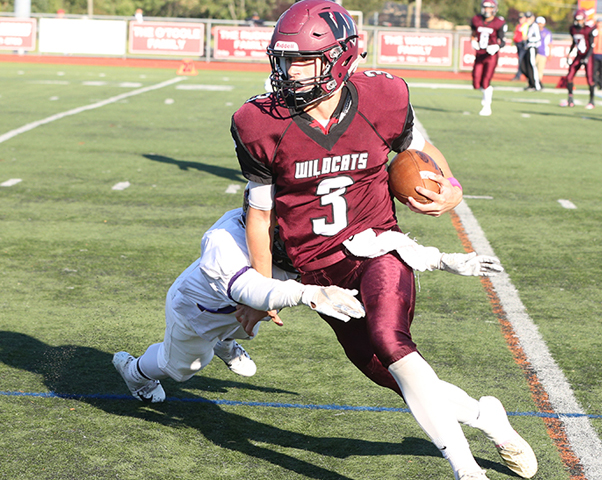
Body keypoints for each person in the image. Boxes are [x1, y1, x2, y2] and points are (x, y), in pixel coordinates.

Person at [231, 1, 538, 479]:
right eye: (284, 61)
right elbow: (260, 213)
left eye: (303, 61)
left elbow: (419, 149)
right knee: (391, 373)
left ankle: (466, 471)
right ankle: (486, 418)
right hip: (318, 268)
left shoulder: (383, 97)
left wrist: (452, 189)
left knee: (390, 340)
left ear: (341, 58)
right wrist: (262, 288)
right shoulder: (258, 123)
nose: (289, 74)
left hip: (379, 246)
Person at [113, 191, 366, 403]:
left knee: (255, 318)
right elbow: (254, 290)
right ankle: (135, 373)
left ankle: (224, 341)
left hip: (238, 307)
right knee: (182, 368)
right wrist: (308, 293)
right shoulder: (224, 244)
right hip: (198, 313)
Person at [470, 0, 507, 116]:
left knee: (486, 81)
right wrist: (472, 41)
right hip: (480, 53)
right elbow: (473, 34)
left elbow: (503, 41)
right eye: (485, 7)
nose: (487, 10)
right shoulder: (476, 19)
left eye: (489, 8)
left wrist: (496, 46)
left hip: (491, 55)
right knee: (476, 82)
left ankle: (487, 106)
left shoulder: (499, 22)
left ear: (494, 9)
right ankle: (487, 93)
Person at [560, 9, 597, 109]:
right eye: (578, 20)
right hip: (579, 55)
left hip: (588, 55)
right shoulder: (572, 29)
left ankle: (591, 101)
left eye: (581, 20)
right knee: (569, 75)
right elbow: (574, 42)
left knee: (590, 79)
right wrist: (569, 53)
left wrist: (586, 58)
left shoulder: (589, 29)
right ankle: (570, 100)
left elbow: (592, 45)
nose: (579, 22)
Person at [522, 12, 542, 91]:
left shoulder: (534, 26)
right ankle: (531, 83)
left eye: (529, 18)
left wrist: (528, 38)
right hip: (527, 48)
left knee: (532, 65)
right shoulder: (527, 26)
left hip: (532, 48)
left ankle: (537, 85)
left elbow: (538, 38)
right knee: (524, 66)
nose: (527, 19)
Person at [512, 12, 529, 81]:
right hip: (518, 44)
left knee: (522, 60)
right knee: (521, 60)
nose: (520, 19)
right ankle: (522, 75)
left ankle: (519, 75)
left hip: (523, 44)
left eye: (522, 18)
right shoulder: (519, 25)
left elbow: (526, 35)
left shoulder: (526, 25)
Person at [535, 16, 552, 82]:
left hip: (543, 53)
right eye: (538, 23)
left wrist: (550, 53)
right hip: (534, 52)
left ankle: (538, 82)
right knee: (532, 68)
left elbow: (550, 44)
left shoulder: (547, 32)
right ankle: (531, 82)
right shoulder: (533, 31)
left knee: (540, 69)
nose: (539, 25)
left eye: (541, 23)